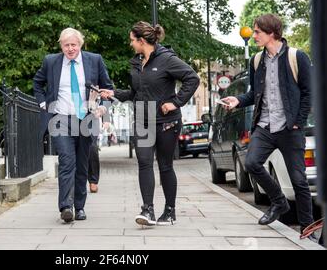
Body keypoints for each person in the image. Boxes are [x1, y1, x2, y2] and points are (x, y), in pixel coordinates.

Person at [222, 14, 314, 235]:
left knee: (299, 180)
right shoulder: (256, 61)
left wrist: (297, 123)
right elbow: (254, 94)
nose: (254, 36)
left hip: (289, 128)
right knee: (252, 163)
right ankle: (279, 201)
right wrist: (237, 101)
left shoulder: (296, 57)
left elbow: (309, 93)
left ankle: (307, 227)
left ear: (271, 33)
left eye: (257, 32)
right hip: (264, 126)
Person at [100, 21, 200, 226]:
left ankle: (170, 211)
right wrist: (113, 93)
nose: (130, 44)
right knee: (144, 163)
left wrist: (175, 102)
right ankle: (148, 210)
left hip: (166, 122)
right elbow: (135, 93)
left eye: (132, 40)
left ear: (142, 40)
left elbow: (192, 78)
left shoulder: (167, 59)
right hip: (142, 120)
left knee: (165, 166)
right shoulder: (136, 63)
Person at [33, 28, 112, 223]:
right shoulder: (51, 62)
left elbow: (108, 89)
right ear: (61, 46)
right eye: (66, 45)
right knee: (67, 161)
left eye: (73, 45)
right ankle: (66, 207)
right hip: (61, 119)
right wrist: (44, 104)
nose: (70, 49)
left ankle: (80, 207)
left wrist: (103, 108)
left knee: (82, 164)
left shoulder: (94, 60)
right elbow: (37, 83)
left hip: (86, 118)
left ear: (80, 44)